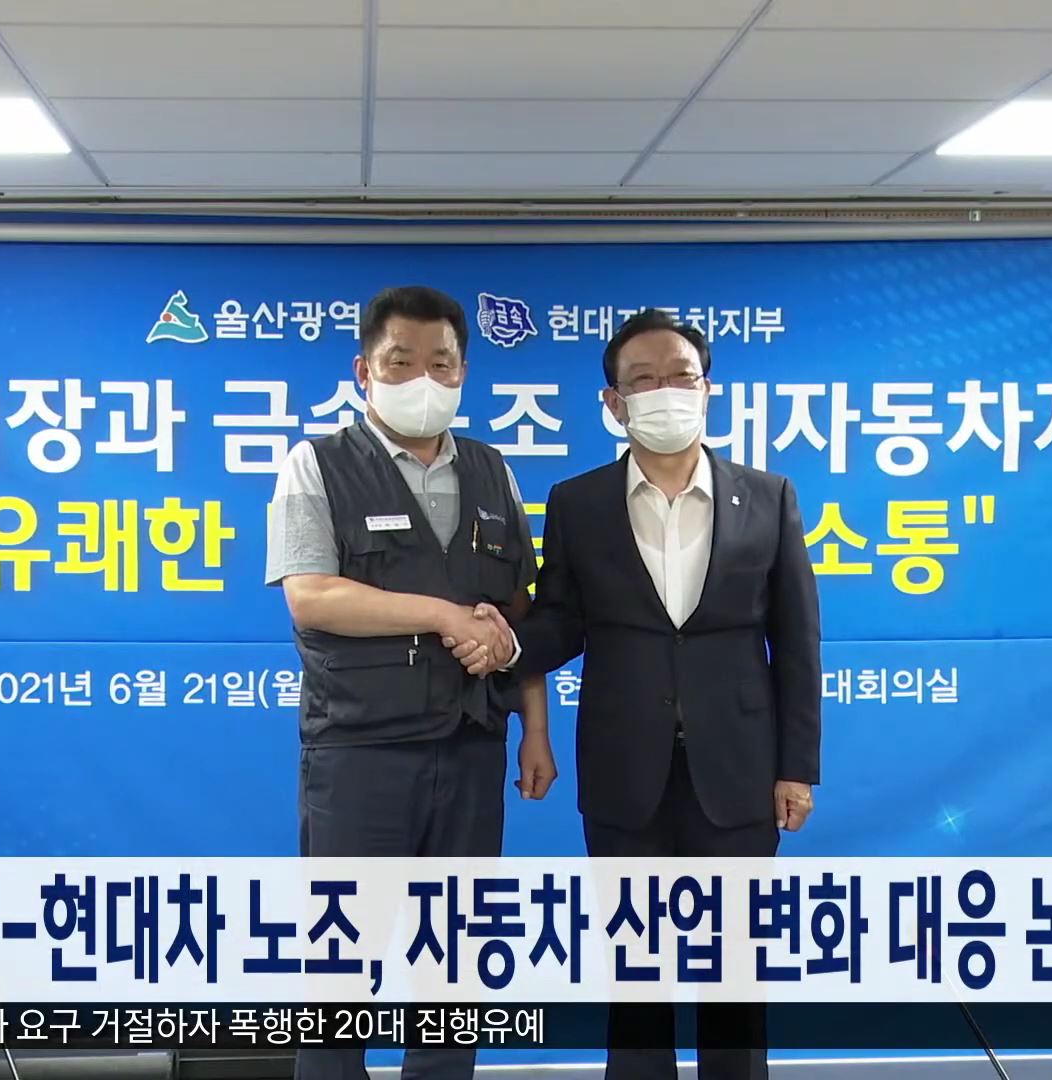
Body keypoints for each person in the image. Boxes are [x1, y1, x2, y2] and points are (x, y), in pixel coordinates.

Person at [454, 308, 821, 1080]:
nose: (665, 393)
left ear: (708, 389)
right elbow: (562, 619)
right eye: (643, 381)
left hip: (740, 768)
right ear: (614, 403)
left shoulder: (769, 496)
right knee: (637, 975)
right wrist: (509, 645)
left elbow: (796, 640)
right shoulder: (578, 502)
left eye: (681, 377)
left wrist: (797, 767)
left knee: (735, 977)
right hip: (625, 769)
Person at [265, 285, 556, 1080]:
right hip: (360, 752)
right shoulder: (318, 464)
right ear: (364, 370)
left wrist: (535, 727)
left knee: (455, 968)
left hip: (471, 746)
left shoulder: (492, 470)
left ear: (463, 373)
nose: (423, 378)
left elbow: (520, 612)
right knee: (342, 967)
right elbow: (312, 595)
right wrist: (441, 614)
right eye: (401, 362)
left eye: (442, 363)